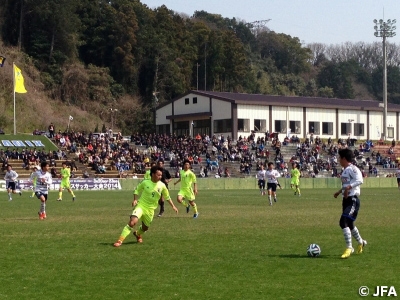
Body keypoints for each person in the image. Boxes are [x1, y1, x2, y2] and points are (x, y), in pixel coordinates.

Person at [113, 166, 178, 247]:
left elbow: (167, 197)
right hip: (141, 206)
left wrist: (173, 206)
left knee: (145, 228)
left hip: (150, 210)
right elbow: (137, 190)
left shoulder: (162, 185)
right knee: (132, 222)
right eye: (158, 175)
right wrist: (135, 200)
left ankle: (137, 234)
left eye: (161, 175)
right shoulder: (145, 182)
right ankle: (120, 241)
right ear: (153, 174)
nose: (160, 177)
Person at [333, 148, 367, 259]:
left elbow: (360, 180)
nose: (338, 160)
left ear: (344, 158)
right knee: (350, 224)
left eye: (339, 158)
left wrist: (348, 187)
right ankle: (361, 242)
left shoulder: (353, 169)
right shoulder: (345, 170)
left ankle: (349, 248)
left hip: (353, 200)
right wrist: (339, 191)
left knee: (343, 221)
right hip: (346, 200)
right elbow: (347, 184)